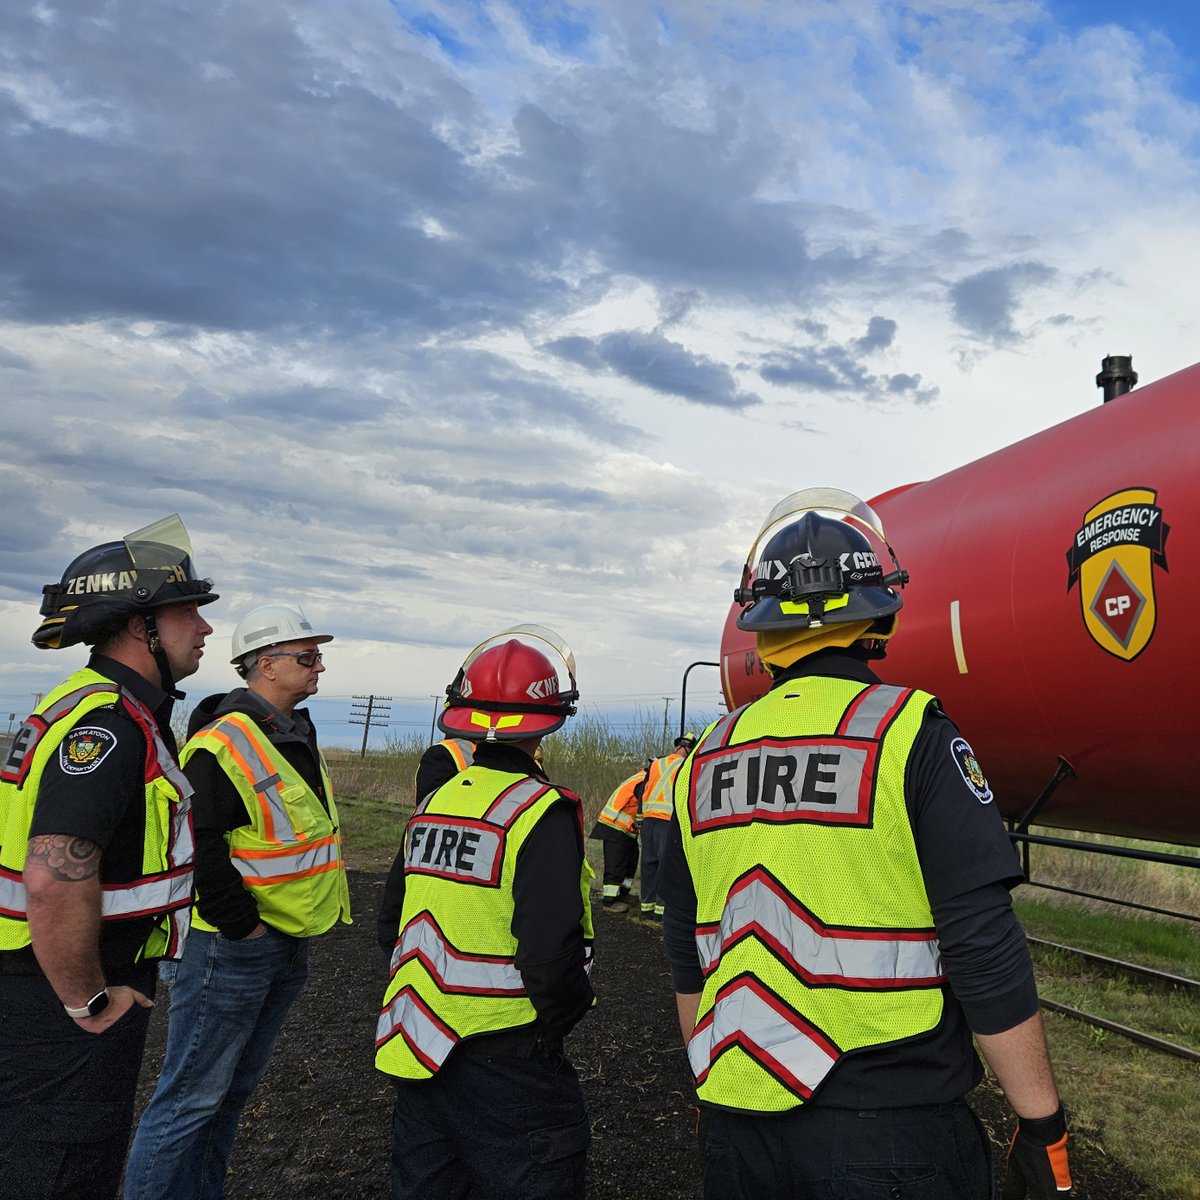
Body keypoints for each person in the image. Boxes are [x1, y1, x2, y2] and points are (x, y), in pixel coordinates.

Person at [658, 488, 1072, 1200]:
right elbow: (982, 944)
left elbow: (683, 950)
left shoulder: (702, 761)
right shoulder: (911, 735)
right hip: (891, 1130)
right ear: (879, 611)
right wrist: (1043, 1128)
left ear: (760, 626)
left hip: (738, 1123)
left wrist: (711, 1085)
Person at [0, 515, 217, 1200]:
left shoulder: (87, 706)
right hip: (56, 996)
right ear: (139, 626)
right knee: (60, 1173)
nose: (206, 630)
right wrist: (88, 1001)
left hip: (37, 984)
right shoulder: (108, 726)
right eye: (190, 614)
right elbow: (53, 879)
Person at [124, 602, 351, 1200]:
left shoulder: (290, 730)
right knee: (190, 1099)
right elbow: (196, 845)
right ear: (263, 666)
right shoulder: (223, 742)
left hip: (283, 941)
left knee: (230, 1093)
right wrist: (242, 927)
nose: (319, 665)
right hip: (231, 947)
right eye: (306, 657)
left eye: (317, 655)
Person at [376, 625, 596, 1200]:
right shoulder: (541, 811)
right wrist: (561, 1017)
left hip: (419, 1043)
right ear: (552, 717)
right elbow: (550, 954)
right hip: (509, 1054)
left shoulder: (434, 802)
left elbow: (389, 924)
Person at [637, 733, 696, 919]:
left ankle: (645, 908)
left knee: (648, 864)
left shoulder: (656, 763)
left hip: (649, 818)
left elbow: (643, 791)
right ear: (689, 749)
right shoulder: (686, 765)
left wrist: (639, 819)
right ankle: (661, 911)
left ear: (677, 746)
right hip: (667, 820)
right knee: (665, 865)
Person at [588, 768, 645, 913]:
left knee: (630, 861)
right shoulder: (643, 782)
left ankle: (622, 894)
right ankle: (609, 901)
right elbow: (644, 807)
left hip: (625, 829)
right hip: (615, 826)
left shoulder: (642, 778)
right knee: (616, 864)